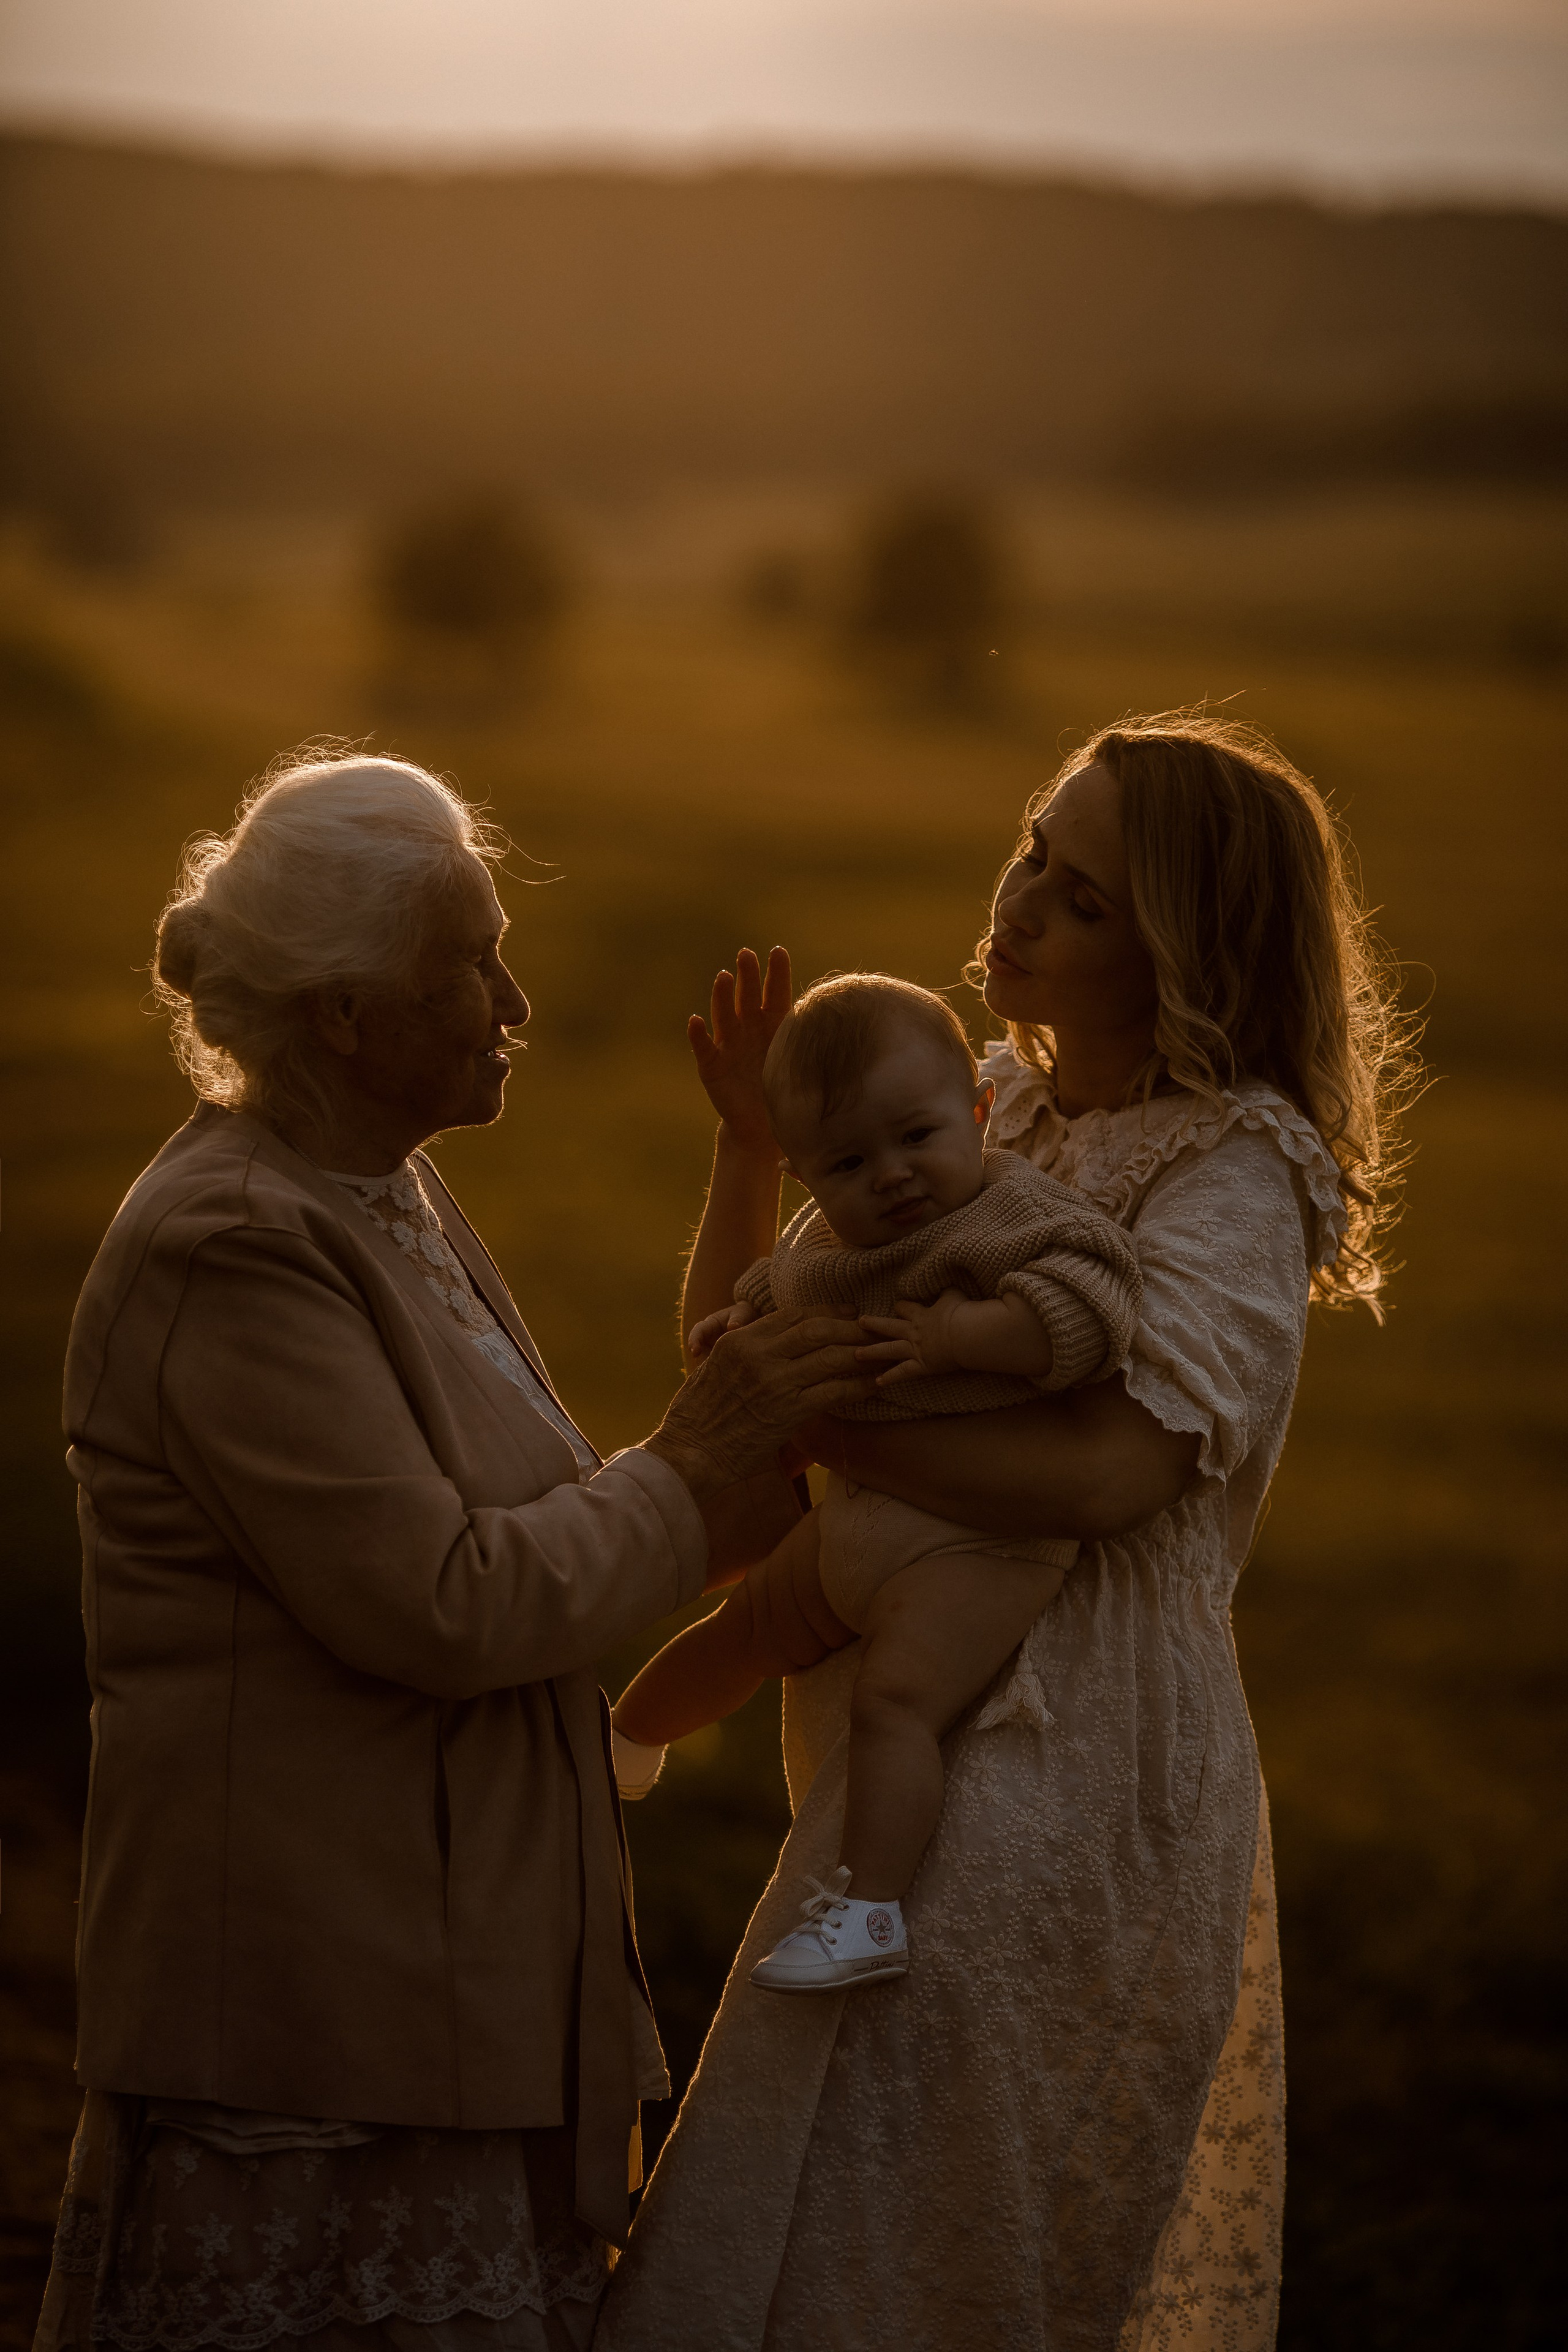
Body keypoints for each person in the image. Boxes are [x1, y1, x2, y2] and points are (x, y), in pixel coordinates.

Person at [32, 751, 873, 2352]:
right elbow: (448, 1602)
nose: (515, 998)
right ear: (341, 1014)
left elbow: (549, 1536)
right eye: (469, 963)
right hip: (310, 2036)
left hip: (426, 1996)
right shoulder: (231, 1246)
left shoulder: (378, 1191)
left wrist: (727, 1469)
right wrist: (697, 1476)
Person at [597, 710, 1416, 2352]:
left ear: (1187, 954)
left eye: (1087, 898)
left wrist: (825, 1419)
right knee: (798, 2183)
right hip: (904, 1694)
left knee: (906, 2229)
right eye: (1038, 847)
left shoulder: (1235, 1167)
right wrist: (751, 1152)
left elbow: (1108, 1478)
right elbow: (736, 1376)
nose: (1024, 900)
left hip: (1083, 1755)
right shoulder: (965, 1111)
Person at [609, 972, 1144, 1992]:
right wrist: (737, 1330)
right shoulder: (827, 1244)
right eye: (850, 1163)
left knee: (895, 1702)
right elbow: (763, 1300)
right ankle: (620, 1748)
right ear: (807, 1176)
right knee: (745, 1631)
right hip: (853, 1523)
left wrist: (959, 1335)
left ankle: (869, 1912)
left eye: (918, 1137)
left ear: (978, 1113)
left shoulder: (1014, 1217)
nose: (892, 1177)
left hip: (977, 1541)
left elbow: (1087, 1312)